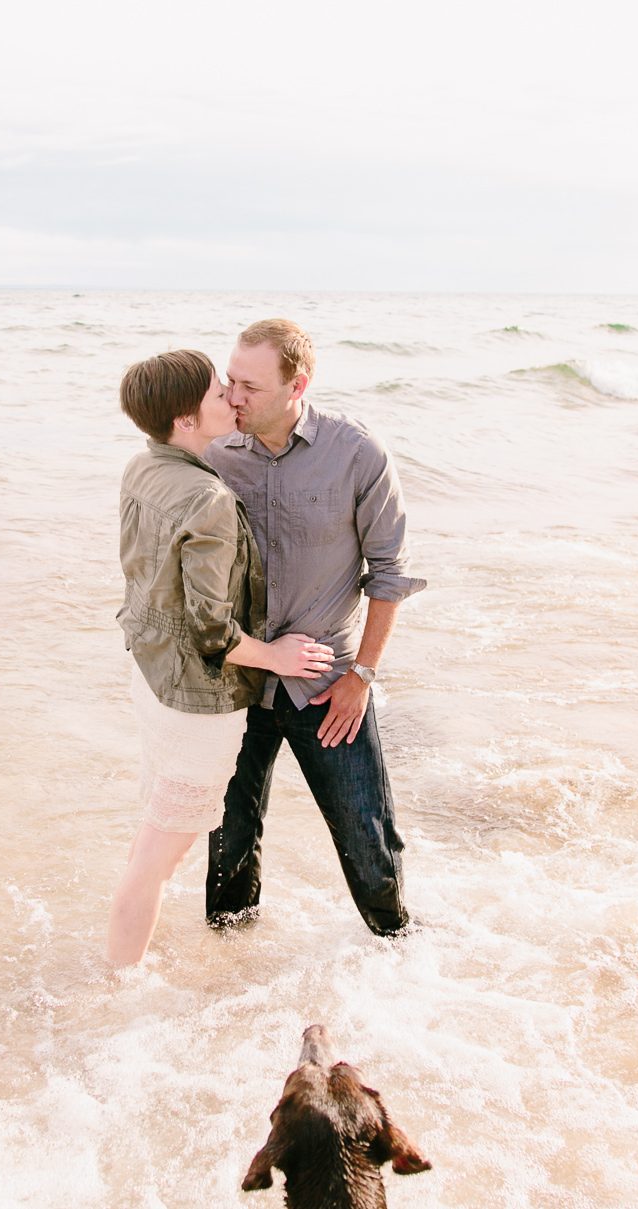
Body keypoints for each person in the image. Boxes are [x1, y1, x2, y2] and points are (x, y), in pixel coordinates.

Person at [107, 349, 337, 967]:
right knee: (162, 855)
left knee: (154, 832)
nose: (232, 399)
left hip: (150, 674)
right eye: (217, 394)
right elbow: (213, 631)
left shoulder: (143, 466)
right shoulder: (208, 497)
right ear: (186, 419)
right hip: (193, 699)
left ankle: (119, 966)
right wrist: (278, 656)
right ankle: (115, 988)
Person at [205, 319, 427, 937]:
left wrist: (362, 675)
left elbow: (389, 574)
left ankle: (400, 963)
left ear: (296, 384)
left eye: (249, 386)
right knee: (228, 846)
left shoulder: (357, 452)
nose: (232, 396)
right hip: (239, 679)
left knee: (367, 838)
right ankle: (224, 980)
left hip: (326, 684)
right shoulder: (217, 453)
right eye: (230, 380)